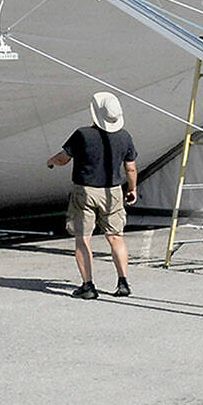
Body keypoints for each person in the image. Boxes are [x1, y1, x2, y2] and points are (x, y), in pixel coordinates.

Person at [47, 92, 139, 299]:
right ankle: (123, 282)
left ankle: (88, 286)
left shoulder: (82, 134)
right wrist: (132, 189)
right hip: (113, 192)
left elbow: (63, 159)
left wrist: (50, 161)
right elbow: (130, 168)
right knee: (116, 237)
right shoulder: (124, 136)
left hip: (85, 192)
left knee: (83, 238)